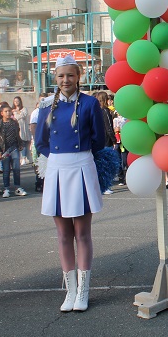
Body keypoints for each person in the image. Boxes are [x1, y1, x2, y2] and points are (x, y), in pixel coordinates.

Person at [34, 55, 105, 312]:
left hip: (81, 166)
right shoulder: (45, 106)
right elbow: (40, 141)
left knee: (82, 233)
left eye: (71, 75)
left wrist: (81, 157)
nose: (66, 80)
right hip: (56, 169)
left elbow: (99, 139)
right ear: (55, 77)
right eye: (61, 76)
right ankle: (71, 291)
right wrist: (54, 160)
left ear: (79, 77)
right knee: (63, 234)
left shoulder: (89, 104)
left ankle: (84, 291)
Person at [0, 105, 27, 198]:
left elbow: (17, 135)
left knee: (16, 168)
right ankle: (6, 188)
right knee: (6, 170)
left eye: (9, 111)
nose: (8, 113)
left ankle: (17, 187)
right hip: (4, 150)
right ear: (2, 113)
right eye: (6, 111)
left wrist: (20, 144)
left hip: (14, 148)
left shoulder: (14, 123)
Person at [29, 98, 44, 192]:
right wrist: (37, 140)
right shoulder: (36, 112)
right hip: (39, 141)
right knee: (39, 163)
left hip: (49, 141)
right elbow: (33, 126)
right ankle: (39, 183)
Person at [11, 96, 32, 165]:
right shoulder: (12, 110)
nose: (16, 102)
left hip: (24, 128)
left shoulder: (24, 109)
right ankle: (22, 158)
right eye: (15, 101)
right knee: (21, 143)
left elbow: (24, 115)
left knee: (25, 143)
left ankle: (26, 158)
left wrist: (17, 111)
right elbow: (14, 118)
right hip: (17, 129)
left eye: (17, 101)